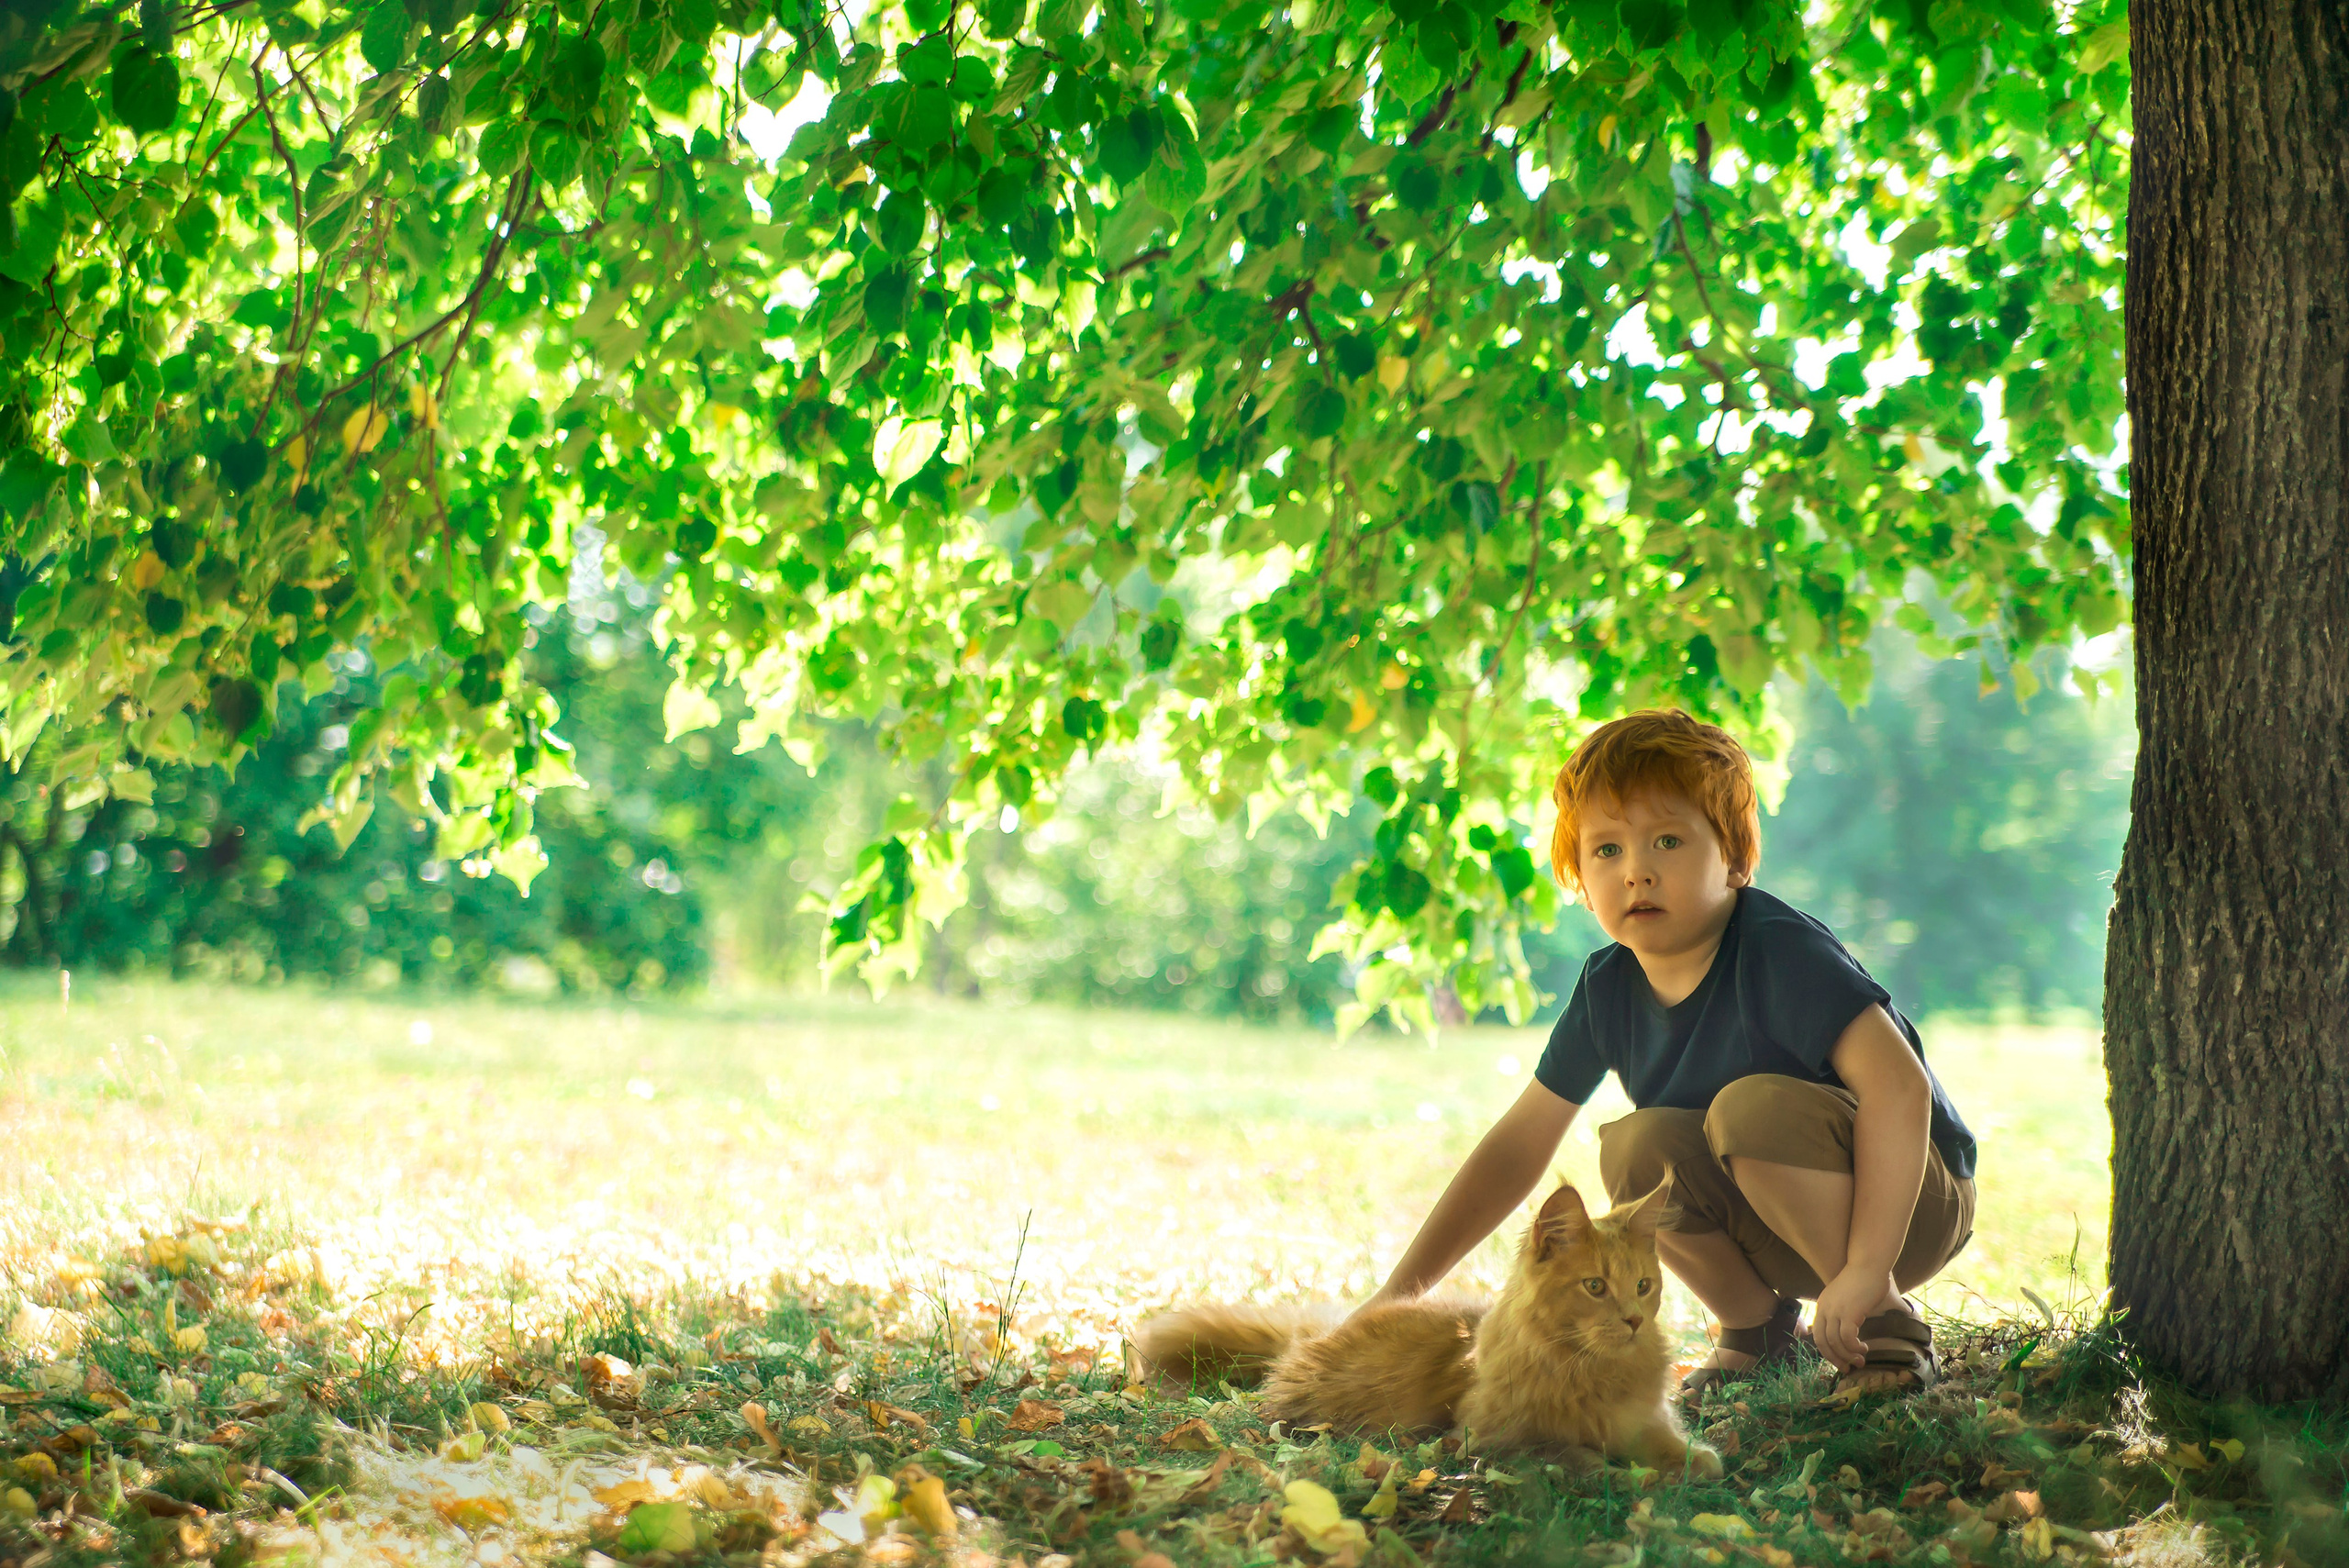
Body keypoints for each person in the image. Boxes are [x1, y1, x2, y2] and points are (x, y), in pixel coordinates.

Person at [1354, 709, 1976, 1402]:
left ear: (1735, 860)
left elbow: (1900, 1091)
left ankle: (1885, 1322)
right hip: (1777, 1225)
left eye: (1669, 840)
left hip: (1910, 1202)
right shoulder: (1607, 986)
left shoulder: (1778, 949)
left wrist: (1867, 1266)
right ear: (1579, 877)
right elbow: (1516, 1148)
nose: (1638, 872)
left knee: (1749, 1108)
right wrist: (1398, 1295)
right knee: (1633, 1147)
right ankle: (1755, 1330)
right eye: (1608, 850)